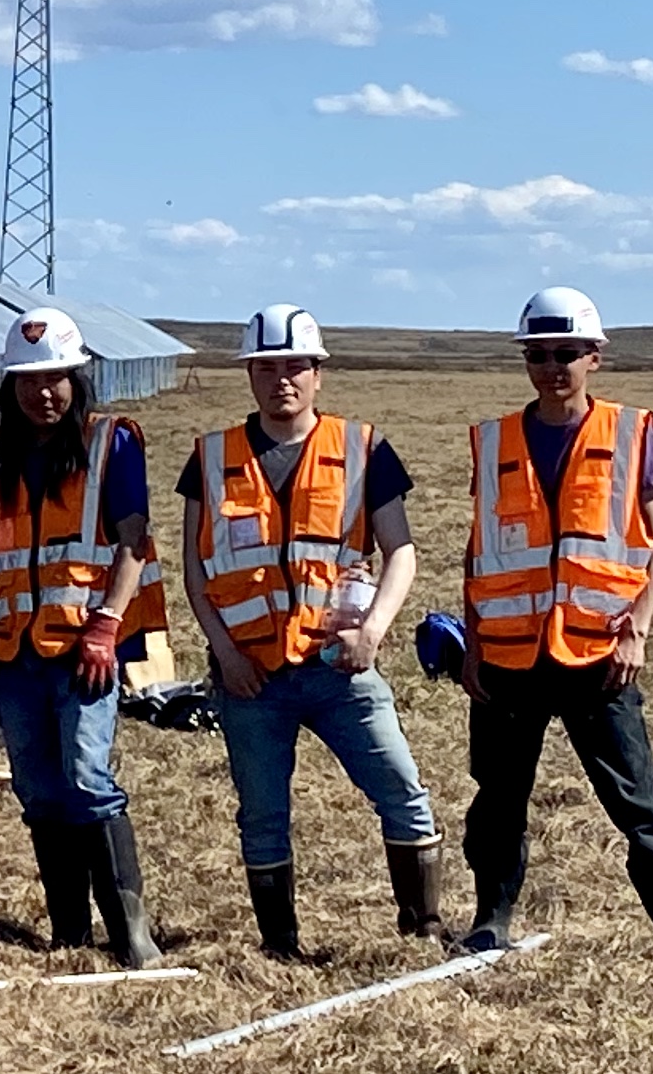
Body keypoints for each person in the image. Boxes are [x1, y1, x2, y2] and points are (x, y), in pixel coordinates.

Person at [176, 305, 446, 959]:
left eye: (295, 364)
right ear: (249, 374)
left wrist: (373, 632)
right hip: (252, 677)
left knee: (402, 790)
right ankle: (280, 946)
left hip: (340, 666)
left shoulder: (364, 448)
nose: (281, 379)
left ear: (318, 372)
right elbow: (194, 567)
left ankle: (423, 930)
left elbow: (400, 551)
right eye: (266, 366)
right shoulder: (211, 458)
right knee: (262, 817)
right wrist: (225, 652)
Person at [456, 285, 653, 948]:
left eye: (566, 353)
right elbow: (481, 547)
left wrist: (636, 630)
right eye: (538, 355)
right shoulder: (494, 439)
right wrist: (473, 641)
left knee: (636, 796)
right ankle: (490, 919)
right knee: (498, 802)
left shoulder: (630, 431)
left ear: (596, 356)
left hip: (599, 651)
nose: (552, 367)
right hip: (509, 655)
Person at [0, 308, 167, 966]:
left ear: (79, 378)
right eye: (27, 380)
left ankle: (132, 933)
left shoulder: (114, 443)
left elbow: (133, 541)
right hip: (15, 651)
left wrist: (107, 624)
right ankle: (70, 932)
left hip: (83, 648)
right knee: (39, 788)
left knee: (87, 777)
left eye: (56, 377)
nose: (42, 392)